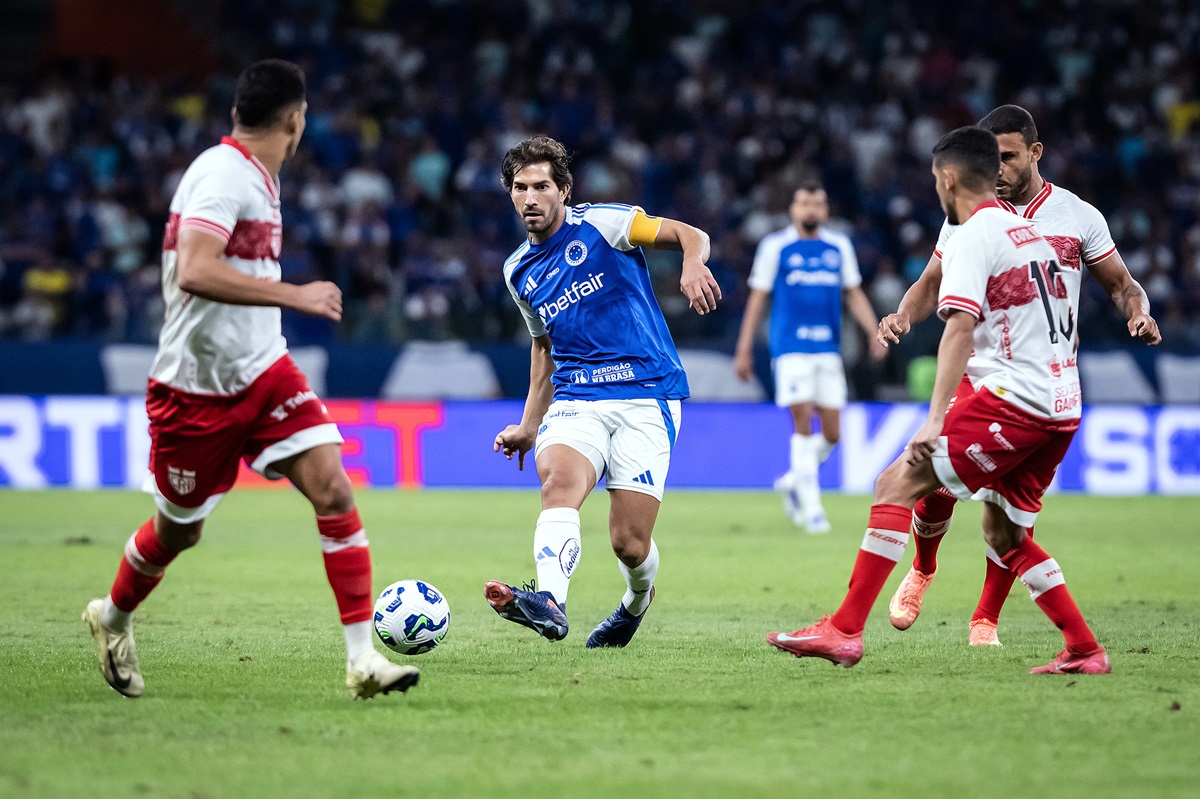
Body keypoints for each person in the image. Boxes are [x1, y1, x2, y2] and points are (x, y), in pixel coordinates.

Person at [81, 60, 418, 700]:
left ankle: (361, 660)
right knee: (180, 529)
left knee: (334, 491)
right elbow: (195, 272)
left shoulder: (260, 178)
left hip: (264, 372)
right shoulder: (221, 176)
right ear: (295, 119)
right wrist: (294, 294)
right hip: (193, 392)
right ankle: (113, 617)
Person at [767, 125, 1112, 675]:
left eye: (935, 180)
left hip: (1014, 400)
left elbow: (959, 328)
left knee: (895, 483)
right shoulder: (1026, 231)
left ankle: (845, 629)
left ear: (948, 178)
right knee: (1006, 533)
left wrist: (934, 420)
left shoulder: (973, 235)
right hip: (1062, 403)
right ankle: (1084, 648)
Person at [877, 105, 1161, 646]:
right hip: (979, 373)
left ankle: (986, 618)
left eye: (1008, 156)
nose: (999, 167)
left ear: (1035, 153)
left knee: (1009, 512)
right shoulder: (968, 215)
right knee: (933, 485)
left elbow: (1122, 284)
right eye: (990, 157)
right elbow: (932, 281)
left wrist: (1138, 312)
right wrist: (901, 315)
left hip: (1041, 381)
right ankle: (923, 568)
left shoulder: (1078, 217)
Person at [487, 135, 720, 647]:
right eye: (520, 187)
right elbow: (543, 348)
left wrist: (692, 262)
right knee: (559, 485)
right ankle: (550, 601)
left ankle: (636, 602)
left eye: (542, 186)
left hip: (646, 392)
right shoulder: (517, 270)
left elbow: (690, 232)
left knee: (630, 545)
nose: (531, 197)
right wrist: (530, 425)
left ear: (564, 190)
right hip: (577, 399)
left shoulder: (604, 224)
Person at [734, 181, 886, 532]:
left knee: (833, 434)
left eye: (817, 203)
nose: (811, 210)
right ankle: (813, 511)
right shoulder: (776, 247)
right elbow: (757, 298)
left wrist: (872, 330)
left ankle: (792, 481)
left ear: (826, 210)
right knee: (802, 420)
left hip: (828, 350)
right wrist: (744, 349)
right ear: (793, 209)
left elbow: (853, 293)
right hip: (790, 349)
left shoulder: (838, 246)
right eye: (804, 203)